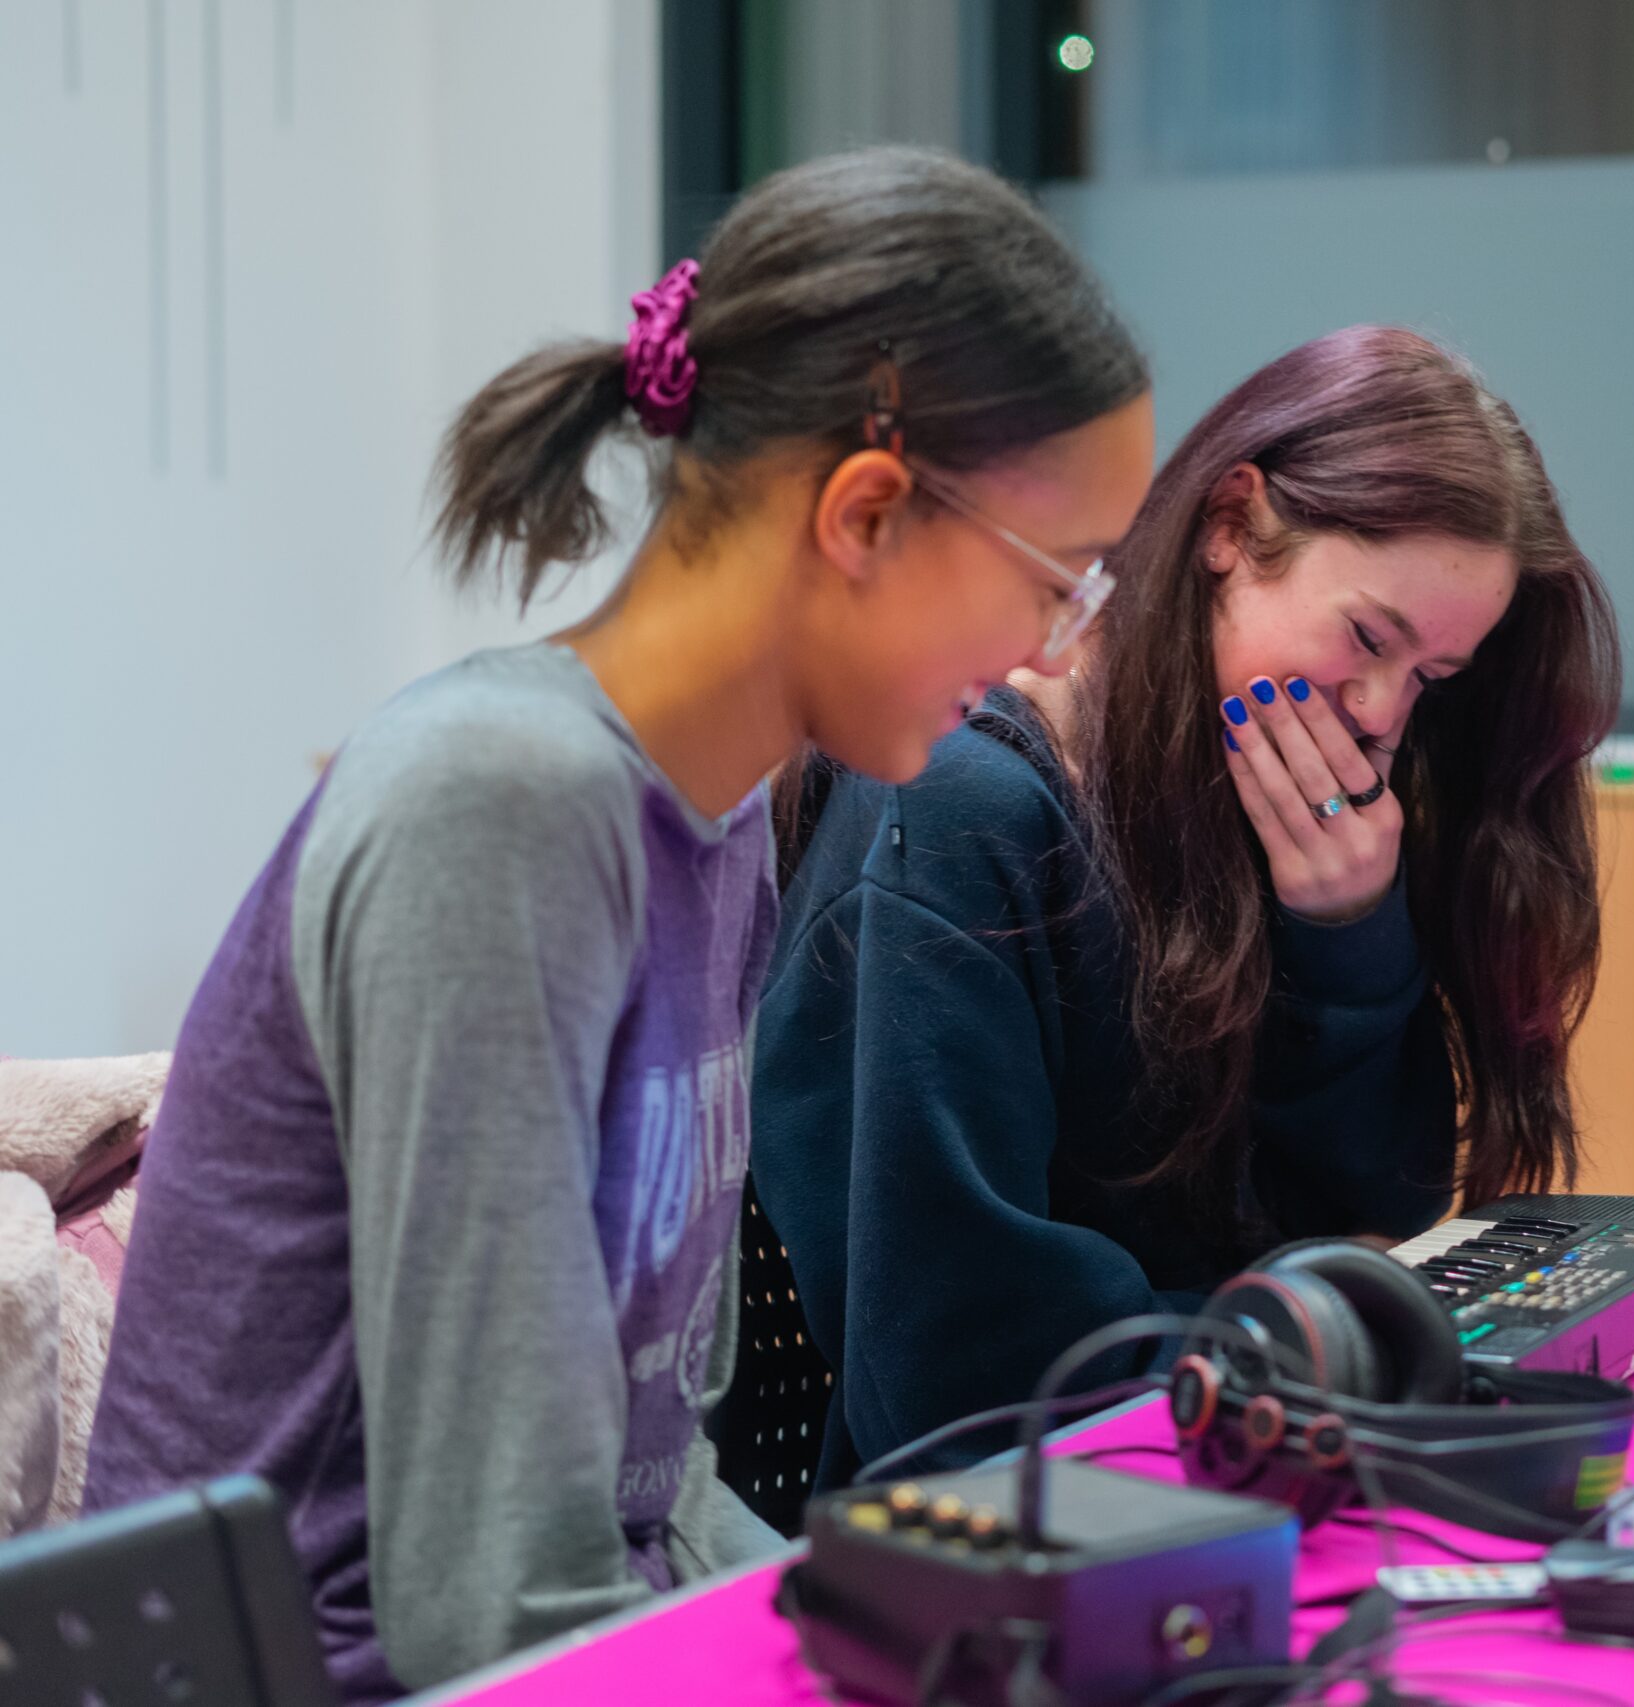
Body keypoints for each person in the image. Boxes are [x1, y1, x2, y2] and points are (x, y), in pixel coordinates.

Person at [80, 148, 1153, 1703]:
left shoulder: (723, 828)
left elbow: (655, 1484)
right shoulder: (498, 806)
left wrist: (893, 1643)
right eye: (1059, 582)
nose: (1056, 653)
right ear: (863, 514)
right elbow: (495, 1603)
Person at [752, 325, 1622, 1489]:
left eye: (1429, 678)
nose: (1379, 716)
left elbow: (1378, 1243)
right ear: (1229, 528)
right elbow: (959, 1371)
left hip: (1236, 1458)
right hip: (1009, 1538)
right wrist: (1296, 1330)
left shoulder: (1278, 809)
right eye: (1367, 639)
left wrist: (1349, 939)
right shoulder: (962, 804)